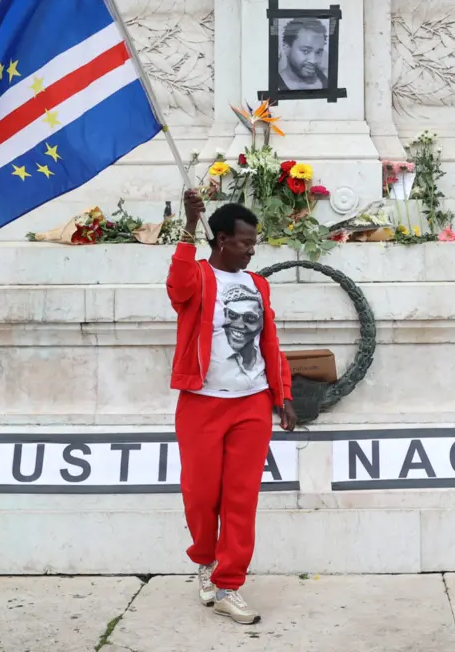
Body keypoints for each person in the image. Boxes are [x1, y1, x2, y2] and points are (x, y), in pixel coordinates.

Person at [166, 190, 297, 625]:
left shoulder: (257, 284)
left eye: (253, 242)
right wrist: (188, 225)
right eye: (245, 242)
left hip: (251, 405)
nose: (252, 249)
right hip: (202, 404)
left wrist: (283, 396)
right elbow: (176, 287)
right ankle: (205, 560)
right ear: (221, 239)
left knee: (241, 500)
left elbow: (270, 344)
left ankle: (229, 585)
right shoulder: (200, 278)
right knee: (201, 496)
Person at [275, 18, 328, 91]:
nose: (313, 60)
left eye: (318, 52)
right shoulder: (273, 87)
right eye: (305, 51)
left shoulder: (328, 77)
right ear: (286, 48)